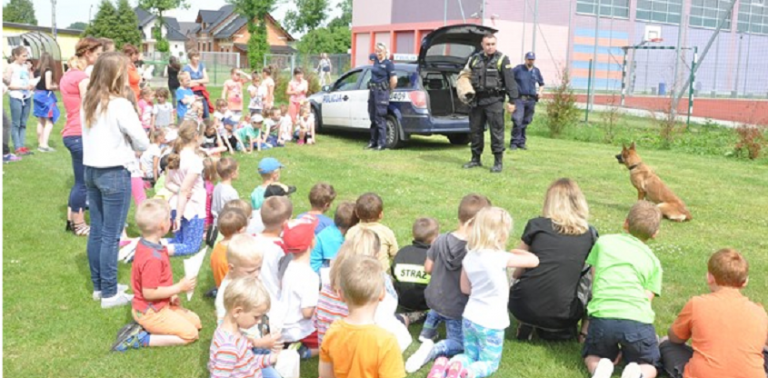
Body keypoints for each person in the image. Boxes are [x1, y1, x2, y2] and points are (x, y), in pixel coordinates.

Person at [428, 207, 538, 378]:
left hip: (470, 317)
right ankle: (467, 374)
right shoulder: (500, 257)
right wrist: (517, 251)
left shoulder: (469, 256)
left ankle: (447, 365)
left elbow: (465, 288)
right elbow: (533, 261)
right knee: (489, 363)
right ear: (502, 234)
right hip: (491, 322)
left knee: (470, 355)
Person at [82, 51, 149, 308]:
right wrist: (130, 141)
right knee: (110, 234)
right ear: (117, 74)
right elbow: (142, 139)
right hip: (113, 171)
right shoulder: (119, 104)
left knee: (98, 230)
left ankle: (100, 286)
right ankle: (109, 293)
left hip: (92, 170)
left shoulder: (89, 100)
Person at [406, 194, 491, 373]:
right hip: (456, 307)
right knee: (459, 343)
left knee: (436, 310)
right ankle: (433, 349)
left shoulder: (440, 239)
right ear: (476, 223)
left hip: (434, 297)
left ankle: (426, 333)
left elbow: (428, 268)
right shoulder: (474, 250)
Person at [509, 178, 598, 341]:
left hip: (522, 304)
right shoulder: (590, 234)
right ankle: (581, 331)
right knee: (590, 274)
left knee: (511, 262)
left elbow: (516, 267)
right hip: (567, 313)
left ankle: (528, 319)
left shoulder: (537, 225)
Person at [583, 200, 663, 378]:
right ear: (655, 233)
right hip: (637, 320)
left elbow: (595, 278)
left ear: (625, 223)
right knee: (649, 363)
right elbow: (646, 299)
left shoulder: (604, 243)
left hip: (603, 316)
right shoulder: (653, 262)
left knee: (592, 355)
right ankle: (638, 373)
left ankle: (600, 368)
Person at [659, 248, 768, 378]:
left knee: (666, 344)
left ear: (709, 277)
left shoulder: (697, 304)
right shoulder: (759, 312)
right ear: (745, 282)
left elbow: (675, 338)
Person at [111, 199, 201, 352]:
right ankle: (139, 339)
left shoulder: (148, 243)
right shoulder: (152, 258)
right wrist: (179, 287)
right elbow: (149, 292)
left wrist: (170, 297)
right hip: (151, 312)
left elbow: (157, 282)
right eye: (168, 218)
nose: (170, 220)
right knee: (190, 334)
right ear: (162, 225)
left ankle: (144, 327)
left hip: (159, 306)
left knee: (196, 322)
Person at [319, 255, 406, 378]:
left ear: (340, 294)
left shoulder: (332, 332)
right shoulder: (387, 342)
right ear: (382, 293)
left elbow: (325, 376)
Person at [60, 37, 103, 236]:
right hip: (79, 134)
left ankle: (71, 220)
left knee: (79, 181)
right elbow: (88, 106)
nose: (99, 57)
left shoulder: (68, 74)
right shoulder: (82, 78)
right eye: (98, 53)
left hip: (71, 132)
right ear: (87, 53)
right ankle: (79, 224)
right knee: (83, 183)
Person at [461, 32, 519, 173]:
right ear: (482, 45)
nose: (490, 47)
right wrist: (464, 90)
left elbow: (510, 82)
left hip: (494, 101)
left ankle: (498, 162)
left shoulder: (502, 60)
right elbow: (464, 76)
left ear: (495, 44)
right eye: (487, 44)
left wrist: (512, 100)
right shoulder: (474, 59)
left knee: (496, 132)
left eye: (492, 44)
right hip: (477, 101)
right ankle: (475, 159)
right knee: (475, 131)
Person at [209, 275, 281, 378]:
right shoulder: (228, 347)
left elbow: (248, 361)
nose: (259, 321)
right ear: (237, 312)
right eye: (256, 317)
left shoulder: (235, 333)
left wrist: (271, 358)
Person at [278, 216, 321, 359]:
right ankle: (303, 352)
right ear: (312, 243)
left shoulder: (288, 266)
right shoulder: (310, 276)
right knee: (330, 339)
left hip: (282, 324)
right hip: (299, 329)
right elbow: (307, 312)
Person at [165, 121, 207, 256]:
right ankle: (152, 251)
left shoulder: (176, 156)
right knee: (191, 247)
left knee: (179, 240)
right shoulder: (194, 160)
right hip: (191, 208)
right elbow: (184, 190)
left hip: (176, 205)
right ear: (196, 136)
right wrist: (178, 217)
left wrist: (177, 212)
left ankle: (146, 243)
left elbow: (168, 183)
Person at [392, 217, 439, 313]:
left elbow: (394, 273)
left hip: (402, 301)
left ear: (413, 234)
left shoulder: (402, 252)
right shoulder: (436, 256)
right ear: (435, 238)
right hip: (427, 304)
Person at [345, 192, 398, 271]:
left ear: (356, 213)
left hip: (357, 274)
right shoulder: (386, 232)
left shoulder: (351, 232)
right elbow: (396, 256)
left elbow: (346, 255)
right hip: (380, 275)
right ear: (381, 214)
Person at [255, 195, 294, 300]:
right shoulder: (283, 248)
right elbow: (285, 280)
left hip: (251, 297)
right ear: (286, 223)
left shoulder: (249, 240)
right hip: (273, 299)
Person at [365, 43, 397, 151]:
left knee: (380, 117)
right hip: (373, 91)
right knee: (373, 117)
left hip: (381, 92)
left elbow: (394, 80)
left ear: (385, 52)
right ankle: (373, 142)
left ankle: (381, 143)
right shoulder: (375, 61)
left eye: (380, 51)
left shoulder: (388, 64)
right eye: (376, 51)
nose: (378, 53)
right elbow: (370, 56)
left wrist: (388, 90)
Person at [310, 201, 358, 272]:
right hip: (317, 275)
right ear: (353, 225)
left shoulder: (333, 229)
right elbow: (335, 265)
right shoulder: (334, 239)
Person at [510, 52, 545, 150]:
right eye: (529, 59)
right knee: (517, 120)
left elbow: (541, 84)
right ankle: (514, 142)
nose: (530, 61)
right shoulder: (518, 69)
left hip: (531, 100)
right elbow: (509, 78)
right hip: (519, 99)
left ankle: (521, 142)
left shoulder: (536, 71)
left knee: (526, 121)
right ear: (525, 59)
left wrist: (540, 92)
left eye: (532, 59)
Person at [4, 46, 35, 156]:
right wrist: (22, 88)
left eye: (27, 56)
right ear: (16, 56)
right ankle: (17, 147)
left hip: (27, 97)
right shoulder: (11, 67)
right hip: (16, 97)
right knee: (16, 123)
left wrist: (30, 70)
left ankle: (22, 146)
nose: (26, 58)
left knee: (23, 123)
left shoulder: (26, 67)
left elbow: (31, 80)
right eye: (23, 56)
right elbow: (8, 85)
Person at [210, 208, 249, 288]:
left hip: (221, 287)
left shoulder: (218, 247)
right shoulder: (235, 252)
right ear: (241, 230)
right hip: (232, 292)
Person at [32, 52, 60, 152]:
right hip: (46, 96)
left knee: (41, 119)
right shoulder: (48, 71)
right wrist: (55, 86)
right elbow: (48, 86)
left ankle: (40, 143)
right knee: (50, 120)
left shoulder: (37, 71)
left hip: (37, 95)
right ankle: (44, 144)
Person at [183, 50, 212, 119]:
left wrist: (195, 81)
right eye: (195, 57)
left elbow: (207, 80)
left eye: (198, 56)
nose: (197, 58)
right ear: (190, 58)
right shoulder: (187, 68)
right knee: (194, 114)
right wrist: (201, 81)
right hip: (192, 93)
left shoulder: (201, 66)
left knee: (205, 114)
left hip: (202, 93)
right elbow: (189, 83)